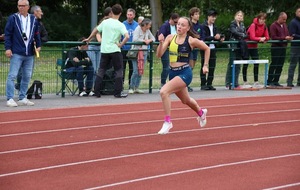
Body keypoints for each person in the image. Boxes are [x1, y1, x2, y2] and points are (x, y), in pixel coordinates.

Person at [156, 17, 210, 135]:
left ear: (188, 28)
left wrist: (205, 65)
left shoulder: (191, 40)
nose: (179, 27)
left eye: (182, 25)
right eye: (178, 24)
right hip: (173, 73)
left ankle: (167, 122)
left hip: (185, 73)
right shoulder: (170, 38)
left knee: (164, 92)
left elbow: (207, 48)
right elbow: (159, 55)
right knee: (186, 100)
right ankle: (201, 113)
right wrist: (161, 43)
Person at [84, 4, 129, 98]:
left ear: (111, 12)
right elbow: (127, 36)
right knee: (119, 70)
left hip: (104, 50)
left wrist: (88, 39)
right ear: (120, 13)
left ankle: (97, 91)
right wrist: (121, 44)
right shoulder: (120, 24)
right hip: (115, 50)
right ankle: (117, 92)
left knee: (101, 70)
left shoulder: (105, 22)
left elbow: (96, 30)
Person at [5, 0, 41, 107]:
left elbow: (36, 34)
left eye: (23, 6)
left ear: (28, 7)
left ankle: (22, 97)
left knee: (27, 76)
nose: (20, 8)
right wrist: (8, 48)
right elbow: (8, 34)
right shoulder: (13, 18)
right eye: (19, 6)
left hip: (29, 53)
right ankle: (10, 98)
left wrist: (38, 46)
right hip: (16, 52)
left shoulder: (33, 19)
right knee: (12, 75)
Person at [15, 5, 48, 90]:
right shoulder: (24, 21)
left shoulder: (40, 24)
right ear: (35, 12)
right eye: (40, 11)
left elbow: (45, 36)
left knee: (28, 73)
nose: (42, 13)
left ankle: (22, 92)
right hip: (20, 50)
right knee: (19, 73)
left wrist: (37, 42)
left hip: (31, 52)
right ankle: (19, 87)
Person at [128, 18, 155, 94]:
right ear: (145, 25)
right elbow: (135, 39)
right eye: (149, 25)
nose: (150, 26)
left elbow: (153, 37)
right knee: (136, 70)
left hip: (144, 52)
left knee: (141, 70)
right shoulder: (137, 29)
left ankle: (137, 87)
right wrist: (143, 41)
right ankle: (131, 87)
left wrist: (149, 40)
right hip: (136, 52)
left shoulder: (147, 30)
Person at [243, 12, 269, 88]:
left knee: (256, 63)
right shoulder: (253, 25)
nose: (261, 21)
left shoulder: (264, 26)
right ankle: (245, 81)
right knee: (246, 63)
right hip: (247, 46)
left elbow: (267, 36)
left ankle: (256, 81)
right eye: (260, 19)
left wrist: (264, 39)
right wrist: (260, 39)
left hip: (254, 47)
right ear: (258, 19)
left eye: (263, 19)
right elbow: (252, 37)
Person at [267, 12, 293, 87]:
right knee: (274, 64)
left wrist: (289, 37)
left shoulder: (284, 25)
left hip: (283, 47)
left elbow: (286, 34)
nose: (285, 21)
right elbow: (274, 37)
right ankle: (270, 80)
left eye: (285, 19)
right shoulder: (273, 25)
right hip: (276, 47)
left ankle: (276, 80)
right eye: (283, 19)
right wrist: (284, 38)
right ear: (280, 17)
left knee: (280, 65)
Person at [201, 8, 224, 91]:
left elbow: (218, 35)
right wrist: (214, 37)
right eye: (212, 16)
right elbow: (204, 37)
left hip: (213, 48)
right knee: (204, 65)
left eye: (215, 17)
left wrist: (220, 37)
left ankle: (209, 83)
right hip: (205, 48)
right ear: (208, 17)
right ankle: (203, 84)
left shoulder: (215, 26)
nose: (214, 18)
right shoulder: (203, 26)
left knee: (212, 66)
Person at [87, 7, 112, 83]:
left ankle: (95, 86)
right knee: (94, 68)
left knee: (98, 68)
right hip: (93, 46)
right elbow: (98, 36)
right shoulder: (104, 22)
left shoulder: (110, 22)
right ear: (110, 14)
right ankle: (90, 86)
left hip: (100, 47)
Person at [225, 10, 248, 89]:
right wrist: (242, 34)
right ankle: (228, 82)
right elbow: (234, 32)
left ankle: (236, 82)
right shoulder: (232, 24)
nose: (239, 17)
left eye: (241, 16)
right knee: (231, 63)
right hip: (233, 45)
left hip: (240, 46)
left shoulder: (242, 25)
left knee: (238, 64)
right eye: (238, 15)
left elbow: (245, 34)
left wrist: (242, 35)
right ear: (235, 16)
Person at [157, 13, 180, 89]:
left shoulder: (177, 27)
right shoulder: (165, 26)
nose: (177, 24)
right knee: (166, 66)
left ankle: (173, 83)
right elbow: (161, 36)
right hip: (166, 49)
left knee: (174, 66)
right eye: (175, 22)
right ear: (170, 19)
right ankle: (163, 83)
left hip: (174, 49)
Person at [188, 7, 205, 92]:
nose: (198, 16)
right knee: (189, 66)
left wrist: (199, 41)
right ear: (191, 15)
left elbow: (202, 36)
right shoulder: (189, 25)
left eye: (198, 14)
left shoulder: (200, 26)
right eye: (196, 14)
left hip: (196, 49)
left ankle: (187, 84)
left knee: (192, 67)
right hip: (188, 48)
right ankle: (185, 85)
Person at [122, 8, 139, 87]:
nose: (129, 16)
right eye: (128, 15)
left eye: (131, 15)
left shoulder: (137, 25)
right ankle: (120, 85)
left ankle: (131, 86)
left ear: (134, 15)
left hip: (133, 50)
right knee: (122, 68)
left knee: (132, 69)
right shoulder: (122, 24)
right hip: (123, 49)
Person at [287, 8, 300, 87]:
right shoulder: (293, 22)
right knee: (293, 64)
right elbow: (292, 34)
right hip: (295, 46)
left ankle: (299, 81)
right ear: (296, 13)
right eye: (299, 11)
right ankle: (289, 81)